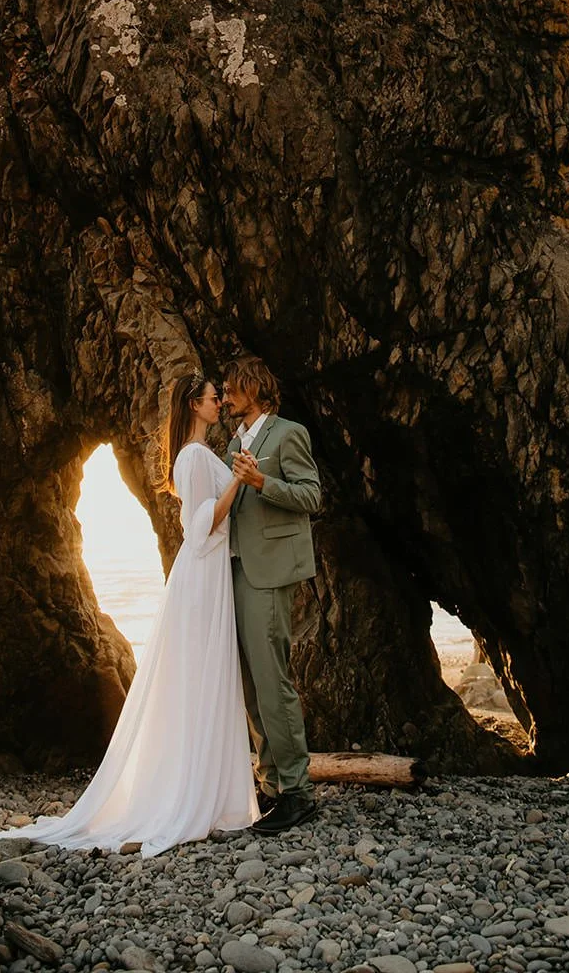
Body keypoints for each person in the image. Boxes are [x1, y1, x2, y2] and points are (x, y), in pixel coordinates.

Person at [0, 372, 258, 857]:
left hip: (210, 575)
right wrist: (236, 480)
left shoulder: (200, 454)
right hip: (201, 574)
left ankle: (212, 792)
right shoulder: (193, 456)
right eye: (215, 397)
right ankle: (190, 795)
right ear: (195, 403)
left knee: (206, 680)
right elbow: (197, 529)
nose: (221, 402)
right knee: (198, 680)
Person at [225, 353, 322, 835]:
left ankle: (298, 792)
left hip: (270, 573)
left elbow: (311, 495)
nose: (225, 397)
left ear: (256, 390)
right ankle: (269, 787)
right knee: (248, 686)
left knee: (272, 681)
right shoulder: (232, 443)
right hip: (235, 570)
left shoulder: (288, 434)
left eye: (232, 389)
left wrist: (262, 481)